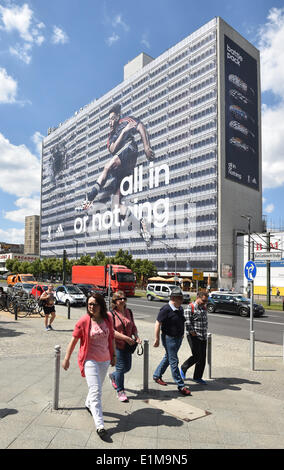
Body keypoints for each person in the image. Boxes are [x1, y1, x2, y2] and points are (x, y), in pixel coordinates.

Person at [83, 104, 155, 246]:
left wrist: (146, 146)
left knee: (107, 167)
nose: (110, 123)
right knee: (116, 207)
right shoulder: (111, 136)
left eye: (112, 119)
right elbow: (112, 149)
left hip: (129, 150)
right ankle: (141, 226)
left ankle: (90, 198)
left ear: (117, 117)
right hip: (124, 171)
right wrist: (123, 133)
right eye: (108, 120)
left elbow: (140, 126)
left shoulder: (125, 121)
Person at [62, 293, 116, 440]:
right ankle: (100, 426)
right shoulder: (84, 321)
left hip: (104, 360)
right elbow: (73, 341)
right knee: (96, 390)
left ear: (101, 305)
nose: (91, 307)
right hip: (90, 360)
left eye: (95, 304)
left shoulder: (108, 318)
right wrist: (66, 358)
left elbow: (111, 338)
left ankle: (88, 403)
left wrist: (114, 355)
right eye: (89, 304)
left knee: (95, 389)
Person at [153, 287, 191, 396]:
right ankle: (181, 385)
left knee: (168, 357)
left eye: (182, 298)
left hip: (178, 338)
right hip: (169, 338)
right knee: (174, 360)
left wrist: (182, 333)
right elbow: (157, 323)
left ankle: (156, 375)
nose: (182, 300)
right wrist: (157, 339)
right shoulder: (165, 309)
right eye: (180, 298)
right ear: (173, 298)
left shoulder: (180, 309)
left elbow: (181, 321)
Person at [109, 290, 141, 402]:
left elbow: (133, 326)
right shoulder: (111, 314)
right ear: (115, 301)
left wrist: (136, 336)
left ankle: (113, 376)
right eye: (120, 299)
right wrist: (126, 338)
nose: (123, 300)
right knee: (121, 368)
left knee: (127, 368)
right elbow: (111, 331)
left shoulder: (129, 312)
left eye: (124, 298)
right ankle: (120, 391)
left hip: (128, 345)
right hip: (117, 345)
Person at [180, 291, 209, 385]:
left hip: (203, 336)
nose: (205, 302)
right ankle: (183, 367)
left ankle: (197, 377)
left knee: (202, 358)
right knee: (196, 355)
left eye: (206, 301)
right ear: (198, 298)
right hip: (193, 336)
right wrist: (192, 332)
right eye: (203, 300)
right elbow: (187, 321)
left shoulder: (204, 307)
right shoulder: (190, 307)